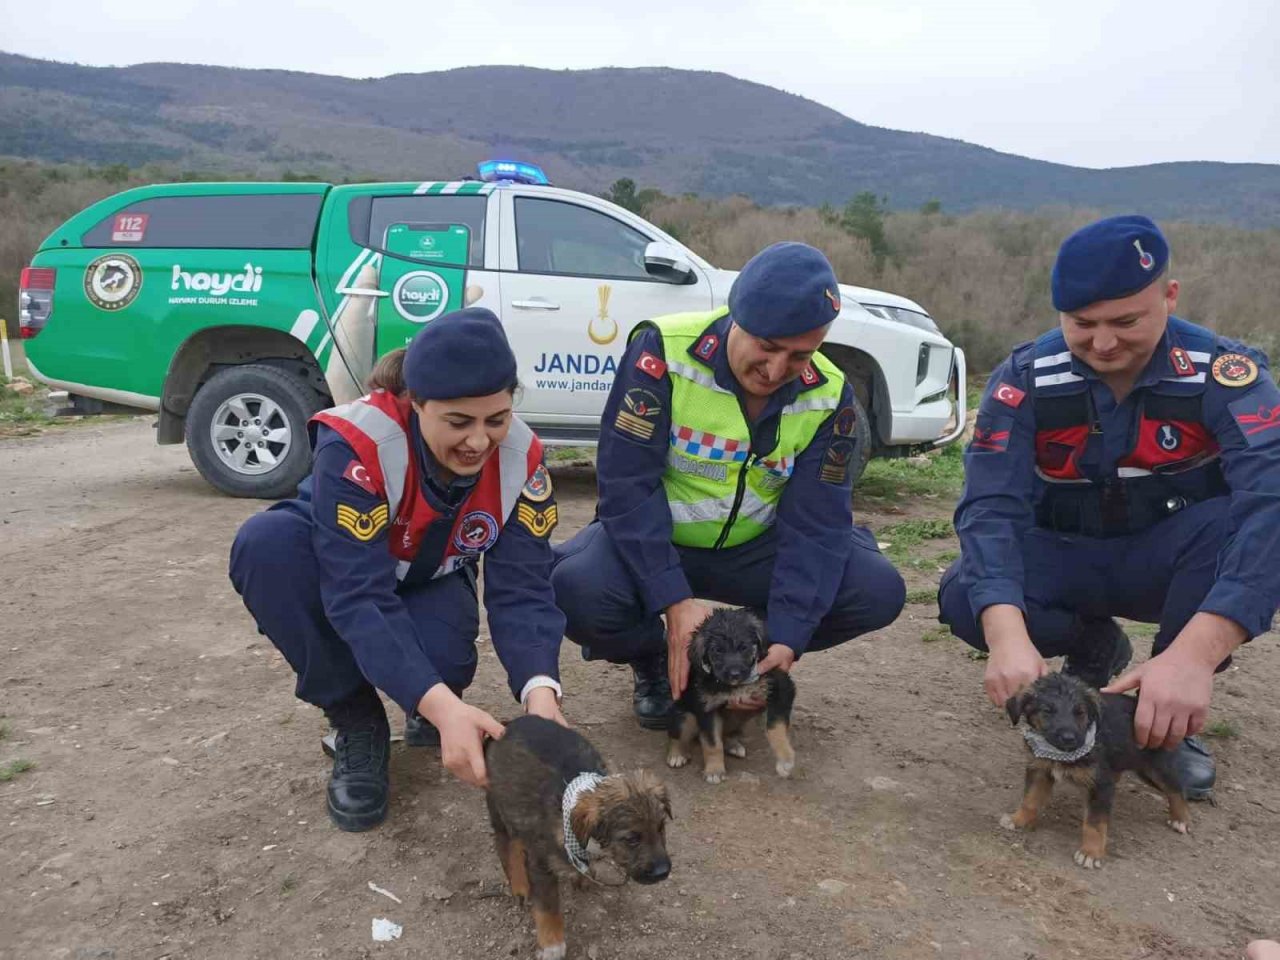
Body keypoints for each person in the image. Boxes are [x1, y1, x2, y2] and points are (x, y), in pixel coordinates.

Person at [938, 215, 1280, 799]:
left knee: (1234, 526)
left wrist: (1196, 656)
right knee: (965, 595)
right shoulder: (1025, 380)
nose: (1103, 343)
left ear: (1169, 297)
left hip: (1167, 562)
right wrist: (1006, 635)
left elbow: (1268, 500)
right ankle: (1095, 646)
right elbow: (989, 508)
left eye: (1126, 321)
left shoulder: (1221, 374)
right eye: (1082, 324)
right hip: (1066, 553)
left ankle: (1161, 713)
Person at [229, 308, 567, 831]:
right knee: (264, 546)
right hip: (341, 569)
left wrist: (541, 695)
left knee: (442, 670)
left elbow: (523, 588)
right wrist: (442, 707)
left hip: (428, 573)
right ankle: (355, 720)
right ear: (416, 404)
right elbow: (358, 595)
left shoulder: (523, 457)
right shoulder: (360, 442)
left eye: (496, 419)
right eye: (458, 422)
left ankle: (426, 705)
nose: (479, 441)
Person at [551, 242, 906, 728]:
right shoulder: (664, 352)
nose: (777, 371)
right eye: (767, 347)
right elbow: (627, 487)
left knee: (875, 589)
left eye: (800, 355)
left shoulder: (829, 396)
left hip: (755, 551)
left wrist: (785, 636)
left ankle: (737, 657)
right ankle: (655, 658)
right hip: (660, 540)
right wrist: (673, 601)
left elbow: (817, 525)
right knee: (575, 587)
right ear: (735, 318)